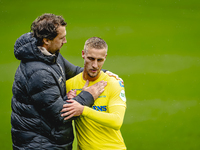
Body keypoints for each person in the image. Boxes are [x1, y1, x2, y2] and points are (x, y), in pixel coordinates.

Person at [11, 13, 108, 150]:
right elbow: (62, 115)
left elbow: (75, 71)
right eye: (61, 38)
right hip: (41, 145)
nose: (65, 41)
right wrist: (88, 96)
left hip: (49, 140)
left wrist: (105, 74)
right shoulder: (39, 73)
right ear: (46, 40)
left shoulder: (49, 54)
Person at [61, 37, 127, 150]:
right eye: (91, 59)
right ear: (83, 54)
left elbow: (117, 121)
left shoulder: (113, 83)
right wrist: (66, 99)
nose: (95, 65)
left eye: (100, 60)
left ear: (105, 57)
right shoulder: (70, 84)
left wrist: (83, 110)